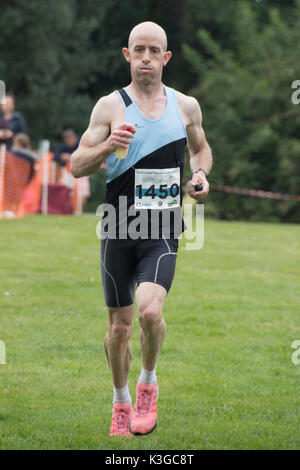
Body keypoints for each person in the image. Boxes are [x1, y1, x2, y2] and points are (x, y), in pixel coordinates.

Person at [71, 21, 212, 437]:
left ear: (166, 58)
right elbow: (77, 165)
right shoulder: (109, 108)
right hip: (117, 226)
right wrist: (105, 144)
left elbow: (200, 147)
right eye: (139, 50)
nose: (146, 58)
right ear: (127, 55)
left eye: (154, 51)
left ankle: (147, 384)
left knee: (151, 311)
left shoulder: (185, 106)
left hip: (163, 226)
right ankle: (120, 403)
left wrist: (201, 173)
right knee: (119, 328)